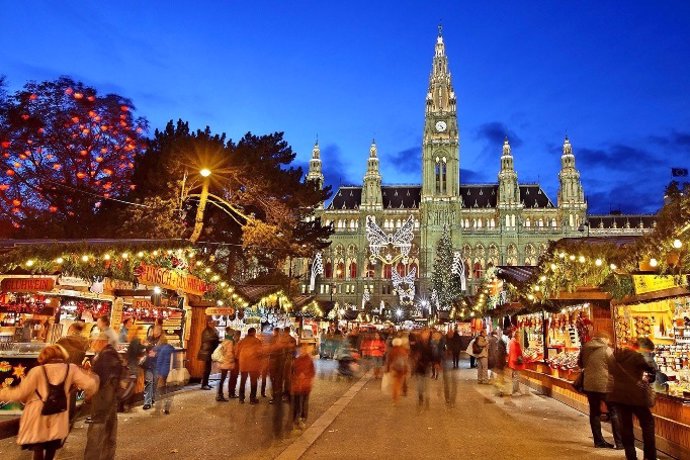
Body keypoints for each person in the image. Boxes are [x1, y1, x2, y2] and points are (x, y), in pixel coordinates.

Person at [0, 344, 98, 460]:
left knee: (38, 448)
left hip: (38, 416)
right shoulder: (70, 369)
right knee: (51, 449)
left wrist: (3, 393)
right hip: (58, 415)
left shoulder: (37, 371)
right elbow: (91, 385)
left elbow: (21, 393)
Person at [608, 338, 657, 460]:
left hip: (619, 396)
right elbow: (651, 370)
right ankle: (649, 456)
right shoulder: (636, 357)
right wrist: (648, 377)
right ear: (636, 347)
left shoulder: (614, 357)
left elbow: (610, 372)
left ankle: (631, 456)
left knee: (626, 426)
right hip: (635, 396)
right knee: (648, 423)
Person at [578, 330, 622, 449]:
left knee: (594, 413)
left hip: (589, 385)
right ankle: (619, 442)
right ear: (605, 339)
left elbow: (580, 364)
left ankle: (598, 441)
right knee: (614, 411)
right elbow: (613, 367)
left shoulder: (585, 347)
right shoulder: (606, 349)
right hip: (604, 385)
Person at [84, 333, 124, 460]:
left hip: (102, 400)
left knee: (96, 432)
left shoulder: (105, 357)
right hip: (111, 399)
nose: (93, 344)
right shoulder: (111, 354)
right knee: (110, 431)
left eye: (94, 341)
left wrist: (89, 393)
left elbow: (99, 380)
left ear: (101, 342)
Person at [56, 322, 90, 424]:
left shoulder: (62, 340)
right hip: (76, 369)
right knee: (72, 393)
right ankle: (70, 417)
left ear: (71, 328)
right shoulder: (85, 341)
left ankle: (61, 416)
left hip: (63, 368)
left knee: (62, 392)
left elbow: (55, 351)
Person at [290, 341, 316, 432]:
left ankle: (302, 419)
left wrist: (309, 380)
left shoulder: (309, 360)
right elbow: (292, 373)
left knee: (304, 403)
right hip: (298, 386)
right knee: (297, 403)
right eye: (302, 349)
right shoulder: (296, 361)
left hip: (305, 386)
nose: (303, 350)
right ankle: (295, 419)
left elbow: (312, 372)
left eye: (305, 348)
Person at [236, 327, 263, 404]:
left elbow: (237, 353)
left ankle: (241, 399)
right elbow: (260, 353)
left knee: (243, 381)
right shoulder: (257, 341)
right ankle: (252, 399)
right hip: (253, 364)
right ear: (254, 333)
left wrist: (240, 359)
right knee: (253, 382)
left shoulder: (242, 341)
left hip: (243, 364)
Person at [411, 329, 433, 410]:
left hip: (427, 365)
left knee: (426, 383)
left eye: (427, 333)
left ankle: (427, 398)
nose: (426, 335)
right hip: (419, 366)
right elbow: (413, 353)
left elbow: (432, 354)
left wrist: (434, 362)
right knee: (420, 384)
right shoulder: (417, 343)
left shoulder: (430, 343)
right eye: (424, 333)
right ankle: (421, 396)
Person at [154, 335, 175, 415]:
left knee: (160, 390)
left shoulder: (162, 350)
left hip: (163, 373)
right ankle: (167, 409)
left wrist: (158, 373)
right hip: (171, 373)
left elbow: (159, 362)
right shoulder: (172, 349)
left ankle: (157, 408)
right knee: (170, 391)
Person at [386, 337, 410, 405]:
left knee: (395, 384)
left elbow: (388, 361)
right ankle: (400, 393)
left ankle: (395, 399)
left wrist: (387, 369)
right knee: (399, 383)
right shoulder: (404, 350)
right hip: (402, 369)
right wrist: (406, 369)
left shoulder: (391, 350)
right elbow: (406, 361)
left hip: (394, 369)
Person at [197, 317, 219, 390]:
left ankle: (206, 383)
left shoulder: (212, 330)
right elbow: (209, 339)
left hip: (209, 351)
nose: (214, 324)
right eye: (212, 322)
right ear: (209, 323)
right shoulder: (207, 331)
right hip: (206, 352)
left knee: (208, 369)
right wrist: (218, 339)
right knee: (207, 369)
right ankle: (204, 385)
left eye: (214, 322)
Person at [142, 327, 161, 410]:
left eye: (155, 330)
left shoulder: (162, 341)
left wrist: (156, 354)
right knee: (149, 381)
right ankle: (147, 402)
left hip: (157, 364)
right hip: (149, 364)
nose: (153, 332)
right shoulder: (148, 339)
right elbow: (144, 349)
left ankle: (152, 398)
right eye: (151, 331)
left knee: (155, 382)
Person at [216, 327, 236, 402]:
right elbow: (229, 353)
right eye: (233, 334)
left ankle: (219, 394)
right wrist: (232, 360)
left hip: (223, 362)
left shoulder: (225, 340)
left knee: (222, 379)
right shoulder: (230, 342)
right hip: (226, 362)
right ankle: (220, 395)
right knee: (222, 379)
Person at [507, 328, 525, 396]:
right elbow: (516, 353)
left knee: (515, 376)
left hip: (513, 361)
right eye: (519, 336)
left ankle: (515, 389)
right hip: (515, 362)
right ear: (517, 336)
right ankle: (514, 390)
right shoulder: (515, 343)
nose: (520, 337)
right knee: (516, 376)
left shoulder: (512, 342)